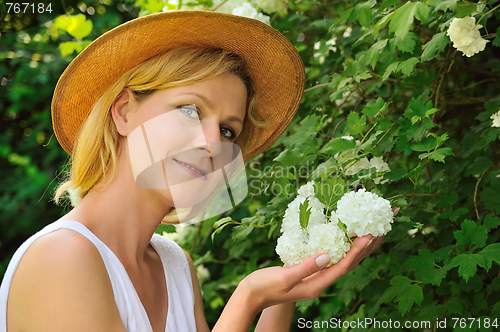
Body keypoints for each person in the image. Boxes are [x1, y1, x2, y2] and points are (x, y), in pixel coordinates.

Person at [0, 10, 388, 332]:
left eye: (227, 130)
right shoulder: (62, 258)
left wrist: (288, 286)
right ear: (123, 112)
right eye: (190, 110)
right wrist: (247, 297)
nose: (211, 144)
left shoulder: (174, 264)